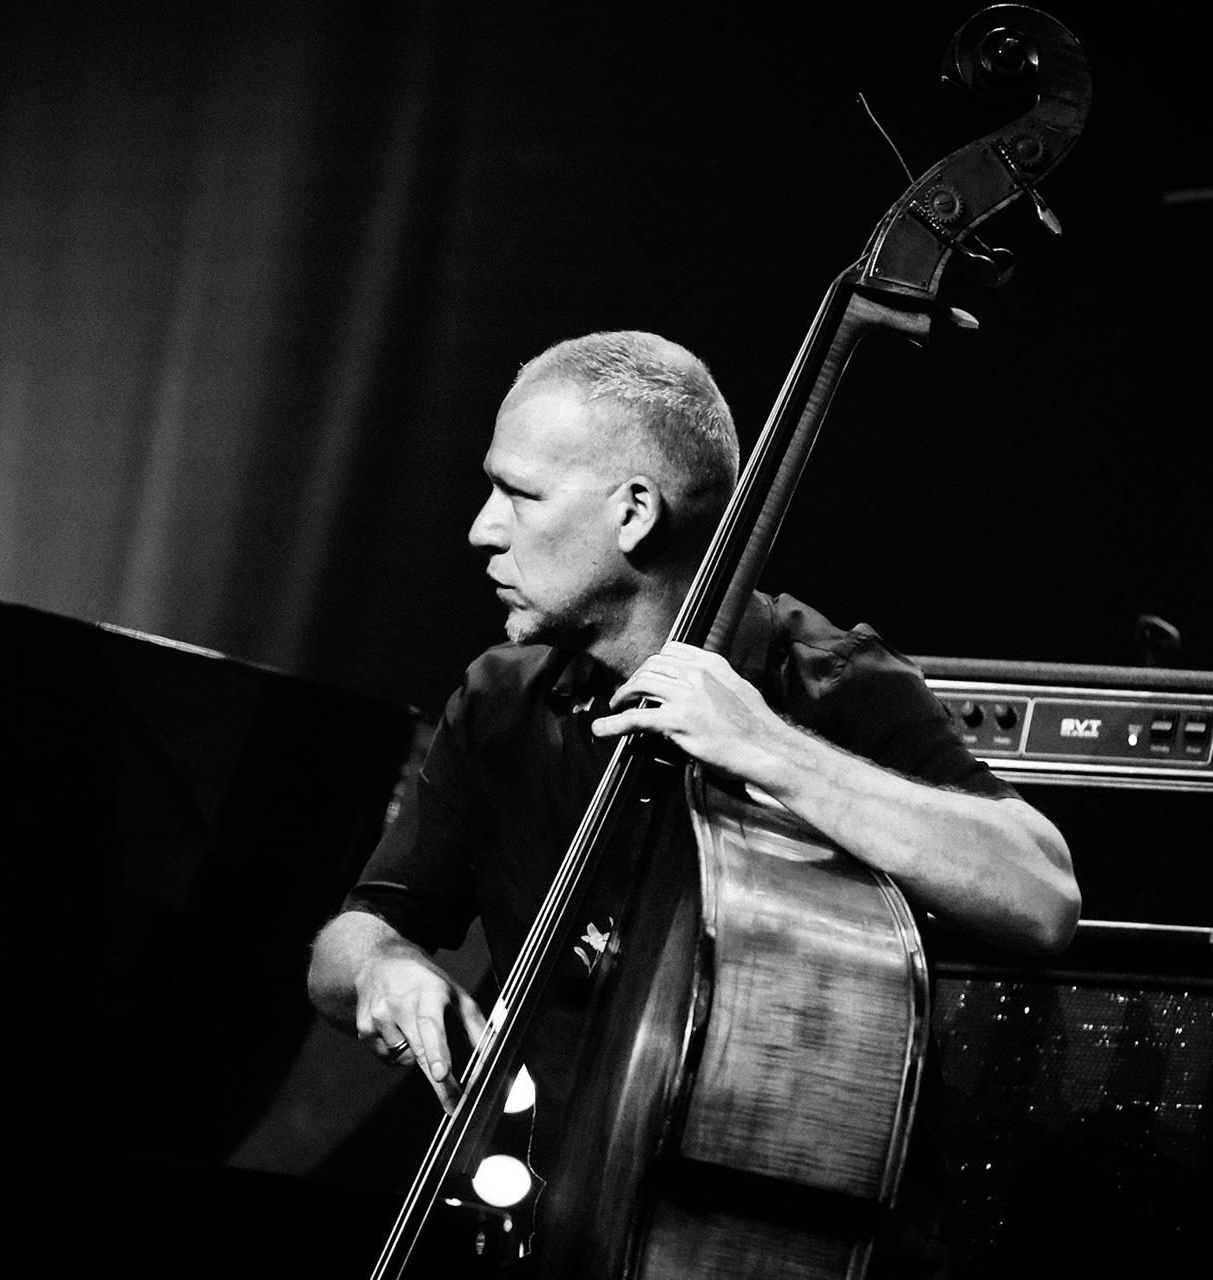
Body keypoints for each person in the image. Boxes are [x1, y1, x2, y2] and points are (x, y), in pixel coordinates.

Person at [306, 330, 1079, 1272]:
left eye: (521, 493)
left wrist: (767, 746)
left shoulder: (822, 680)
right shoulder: (500, 702)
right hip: (555, 1233)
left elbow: (1041, 894)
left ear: (634, 513)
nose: (483, 527)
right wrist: (385, 971)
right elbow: (352, 937)